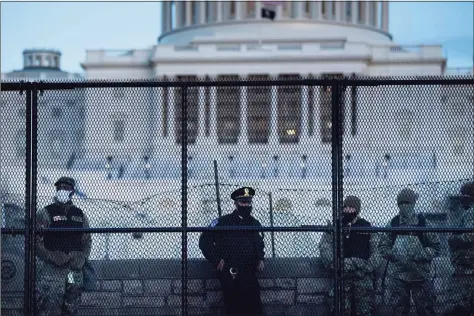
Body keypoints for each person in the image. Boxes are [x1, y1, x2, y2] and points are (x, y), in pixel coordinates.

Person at [199, 187, 265, 316]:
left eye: (248, 202)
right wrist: (216, 259)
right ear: (236, 203)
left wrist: (261, 258)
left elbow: (259, 244)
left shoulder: (254, 223)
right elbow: (204, 241)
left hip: (249, 272)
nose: (246, 205)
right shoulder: (223, 222)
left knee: (255, 307)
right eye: (243, 202)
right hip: (231, 272)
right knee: (234, 307)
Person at [378, 188, 441, 316]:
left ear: (413, 204)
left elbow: (436, 247)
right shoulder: (394, 223)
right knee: (399, 310)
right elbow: (382, 247)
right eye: (402, 204)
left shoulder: (423, 223)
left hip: (421, 275)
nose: (404, 206)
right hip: (398, 276)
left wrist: (420, 255)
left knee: (425, 310)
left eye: (407, 203)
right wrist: (395, 255)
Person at [35, 177, 92, 316]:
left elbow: (87, 240)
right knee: (48, 306)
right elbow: (35, 241)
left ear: (72, 191)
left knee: (72, 305)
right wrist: (51, 256)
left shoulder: (80, 215)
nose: (62, 190)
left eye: (66, 188)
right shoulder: (45, 213)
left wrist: (81, 258)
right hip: (52, 271)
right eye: (59, 188)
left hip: (73, 271)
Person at [319, 195, 379, 316]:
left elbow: (377, 252)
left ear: (357, 210)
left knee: (364, 310)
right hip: (342, 275)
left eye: (351, 208)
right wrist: (336, 264)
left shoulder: (367, 227)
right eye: (345, 207)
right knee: (340, 309)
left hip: (362, 276)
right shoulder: (336, 226)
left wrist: (365, 267)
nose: (347, 210)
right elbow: (324, 247)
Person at [444, 181, 474, 316]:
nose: (461, 199)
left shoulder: (471, 211)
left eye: (464, 196)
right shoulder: (467, 212)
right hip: (466, 263)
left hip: (468, 264)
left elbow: (470, 235)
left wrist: (455, 239)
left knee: (458, 304)